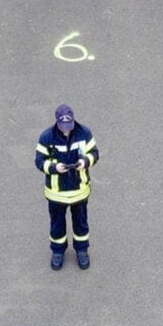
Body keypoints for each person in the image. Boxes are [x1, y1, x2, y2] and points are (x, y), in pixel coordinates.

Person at [34, 105, 99, 270]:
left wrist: (85, 161)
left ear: (72, 121)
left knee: (81, 223)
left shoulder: (84, 133)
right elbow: (39, 160)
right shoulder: (47, 137)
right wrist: (54, 167)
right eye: (63, 127)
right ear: (57, 122)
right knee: (57, 224)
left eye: (68, 126)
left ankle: (82, 250)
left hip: (79, 191)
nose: (66, 130)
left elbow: (95, 153)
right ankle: (58, 251)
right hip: (57, 193)